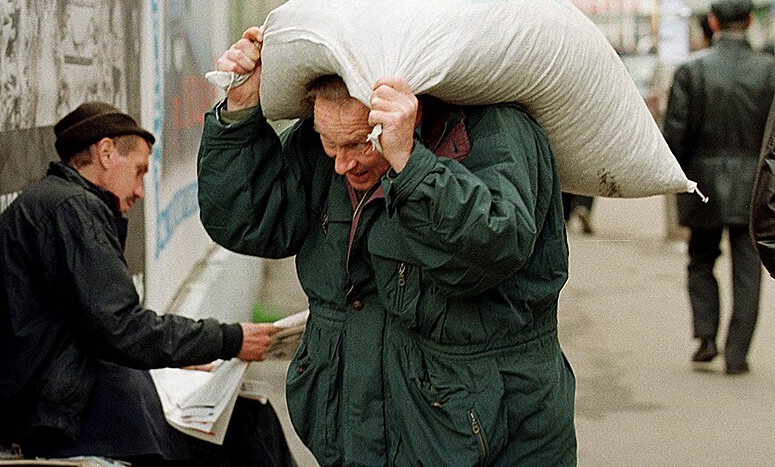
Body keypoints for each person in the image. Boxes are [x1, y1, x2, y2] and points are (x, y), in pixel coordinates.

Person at [197, 27, 576, 465]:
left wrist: (410, 165)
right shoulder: (327, 142)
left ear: (409, 112)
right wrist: (239, 114)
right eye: (328, 142)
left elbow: (488, 250)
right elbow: (249, 222)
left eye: (360, 143)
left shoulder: (498, 132)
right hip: (355, 429)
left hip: (482, 438)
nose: (341, 163)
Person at [0, 101, 294, 466]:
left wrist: (189, 356)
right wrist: (230, 340)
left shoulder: (59, 204)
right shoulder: (72, 209)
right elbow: (121, 327)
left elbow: (98, 324)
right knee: (248, 428)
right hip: (59, 413)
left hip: (62, 398)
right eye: (139, 171)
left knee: (247, 418)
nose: (140, 191)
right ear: (106, 153)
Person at [663, 0, 775, 376]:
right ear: (749, 22)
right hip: (756, 187)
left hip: (703, 183)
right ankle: (738, 352)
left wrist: (679, 180)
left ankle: (706, 338)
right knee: (749, 266)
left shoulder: (692, 71)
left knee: (700, 260)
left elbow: (674, 134)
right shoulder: (770, 71)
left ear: (711, 23)